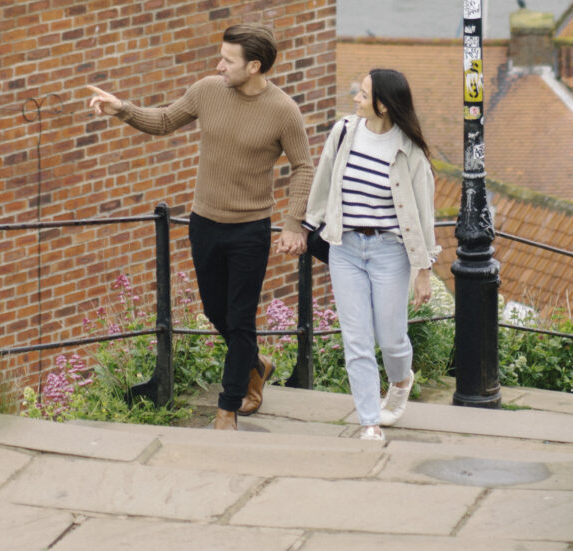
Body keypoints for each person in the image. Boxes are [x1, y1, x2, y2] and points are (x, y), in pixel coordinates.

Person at [86, 26, 312, 432]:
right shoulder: (208, 90)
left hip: (250, 229)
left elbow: (303, 166)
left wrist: (294, 222)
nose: (218, 65)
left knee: (241, 319)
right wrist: (122, 108)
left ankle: (227, 410)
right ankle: (256, 363)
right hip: (205, 223)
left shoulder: (283, 110)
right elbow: (165, 120)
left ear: (254, 65)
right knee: (214, 311)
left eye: (228, 59)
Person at [303, 67, 438, 442]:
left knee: (392, 338)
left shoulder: (409, 151)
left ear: (383, 104)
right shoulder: (344, 131)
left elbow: (424, 215)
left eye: (363, 95)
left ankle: (400, 380)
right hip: (344, 248)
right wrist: (306, 225)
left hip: (389, 252)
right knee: (357, 338)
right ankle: (369, 421)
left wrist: (423, 269)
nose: (356, 100)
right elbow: (323, 181)